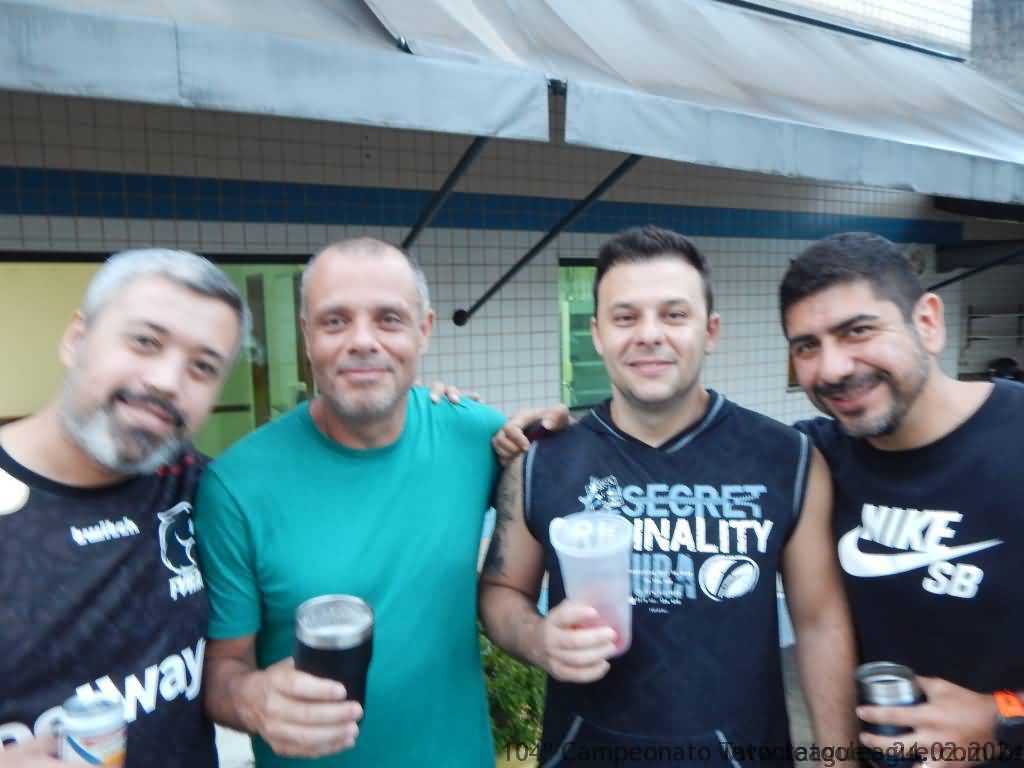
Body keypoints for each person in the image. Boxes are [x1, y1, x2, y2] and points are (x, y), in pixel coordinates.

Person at [480, 226, 857, 767]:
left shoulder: (786, 459)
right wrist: (537, 638)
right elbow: (501, 590)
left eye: (674, 315)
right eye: (625, 317)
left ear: (710, 331)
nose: (649, 335)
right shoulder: (542, 461)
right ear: (597, 334)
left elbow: (820, 623)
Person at [195, 237, 563, 767]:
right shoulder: (236, 485)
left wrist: (559, 437)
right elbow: (222, 669)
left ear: (424, 330)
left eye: (389, 319)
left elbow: (564, 500)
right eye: (335, 321)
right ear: (306, 335)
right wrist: (253, 700)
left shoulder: (477, 436)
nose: (362, 341)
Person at [781, 232, 1024, 767]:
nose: (833, 368)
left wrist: (1003, 717)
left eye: (859, 331)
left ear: (928, 322)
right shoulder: (812, 459)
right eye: (807, 346)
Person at [0, 249, 250, 767]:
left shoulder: (204, 491)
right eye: (145, 341)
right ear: (76, 338)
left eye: (203, 367)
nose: (167, 381)